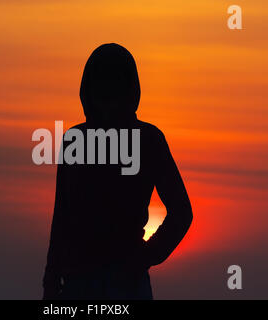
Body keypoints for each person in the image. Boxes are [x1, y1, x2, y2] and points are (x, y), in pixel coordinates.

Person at [43, 43, 193, 300]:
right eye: (102, 85)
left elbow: (182, 213)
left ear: (129, 89)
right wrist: (51, 280)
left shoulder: (148, 140)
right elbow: (62, 218)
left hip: (125, 284)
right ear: (90, 90)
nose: (108, 95)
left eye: (115, 85)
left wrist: (144, 257)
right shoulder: (75, 140)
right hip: (78, 281)